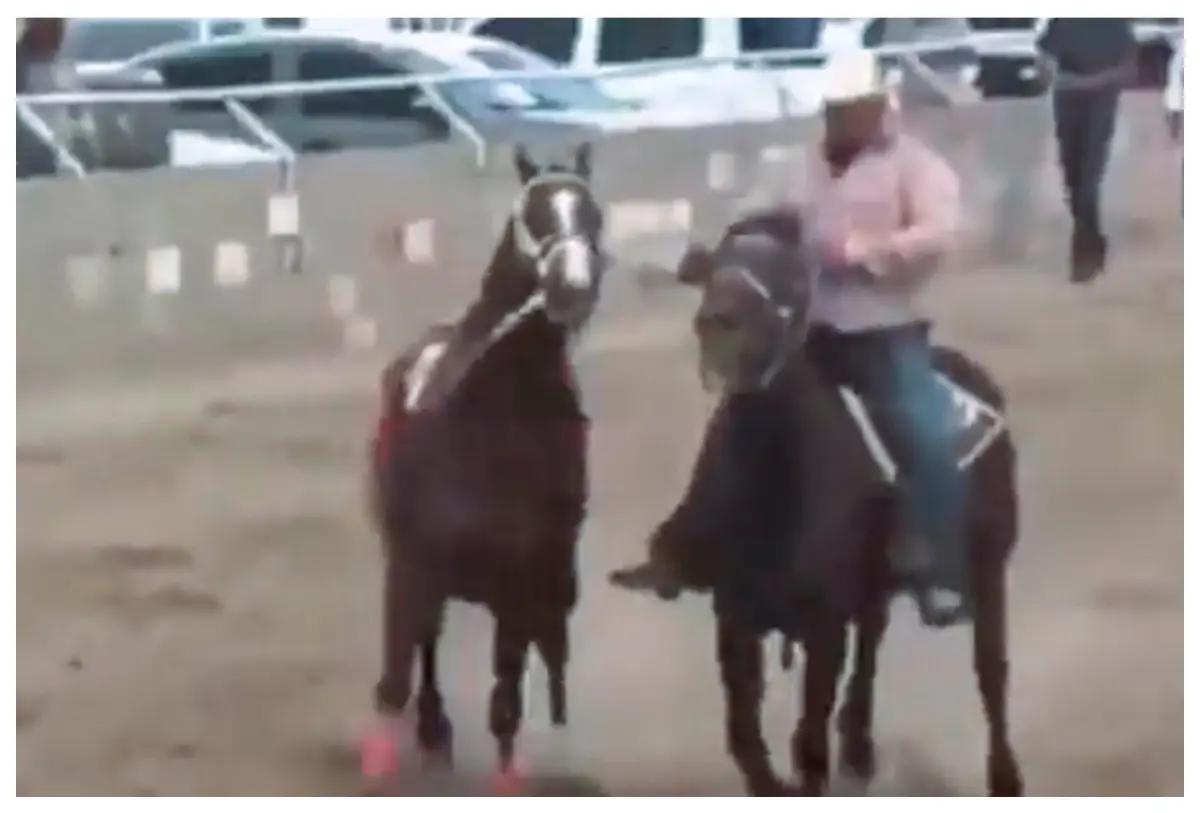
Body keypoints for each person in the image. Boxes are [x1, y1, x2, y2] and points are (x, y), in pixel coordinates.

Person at [612, 49, 972, 627]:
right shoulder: (800, 164)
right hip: (803, 326)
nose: (838, 120)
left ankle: (941, 567)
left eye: (850, 108)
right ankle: (683, 549)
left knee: (919, 428)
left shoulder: (918, 167)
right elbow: (760, 215)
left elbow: (940, 232)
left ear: (878, 106)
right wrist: (725, 250)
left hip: (882, 325)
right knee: (736, 417)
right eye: (832, 109)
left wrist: (864, 252)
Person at [1035, 18, 1137, 283]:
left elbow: (1128, 70)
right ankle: (1092, 243)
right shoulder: (1063, 21)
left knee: (1089, 178)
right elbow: (1044, 65)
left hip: (1099, 102)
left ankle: (1084, 256)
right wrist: (1051, 77)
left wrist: (1082, 82)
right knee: (1073, 179)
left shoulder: (1116, 23)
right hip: (1069, 102)